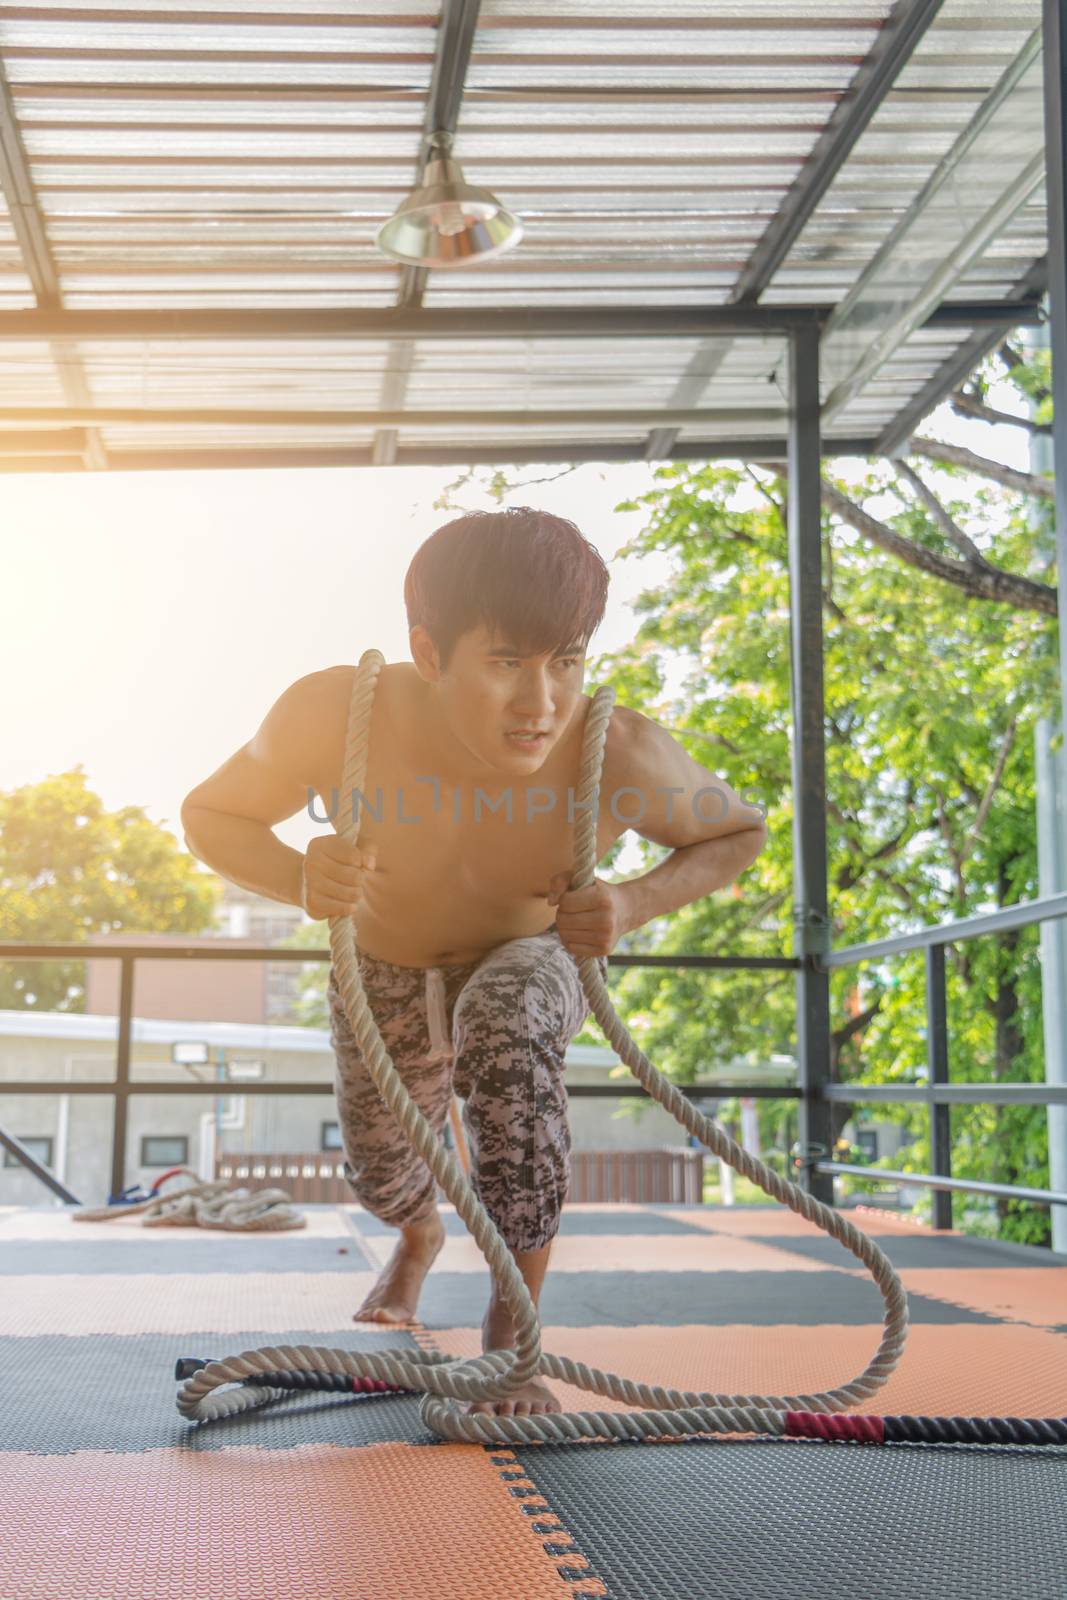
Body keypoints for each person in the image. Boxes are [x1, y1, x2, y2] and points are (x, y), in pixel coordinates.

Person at [180, 507, 767, 1418]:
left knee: (505, 1016)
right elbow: (210, 816)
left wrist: (632, 901)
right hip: (382, 965)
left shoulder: (622, 750)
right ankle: (417, 1236)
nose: (540, 703)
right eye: (505, 664)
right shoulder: (333, 715)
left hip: (525, 956)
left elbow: (737, 831)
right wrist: (299, 872)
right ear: (429, 650)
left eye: (564, 662)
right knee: (381, 1176)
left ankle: (512, 1318)